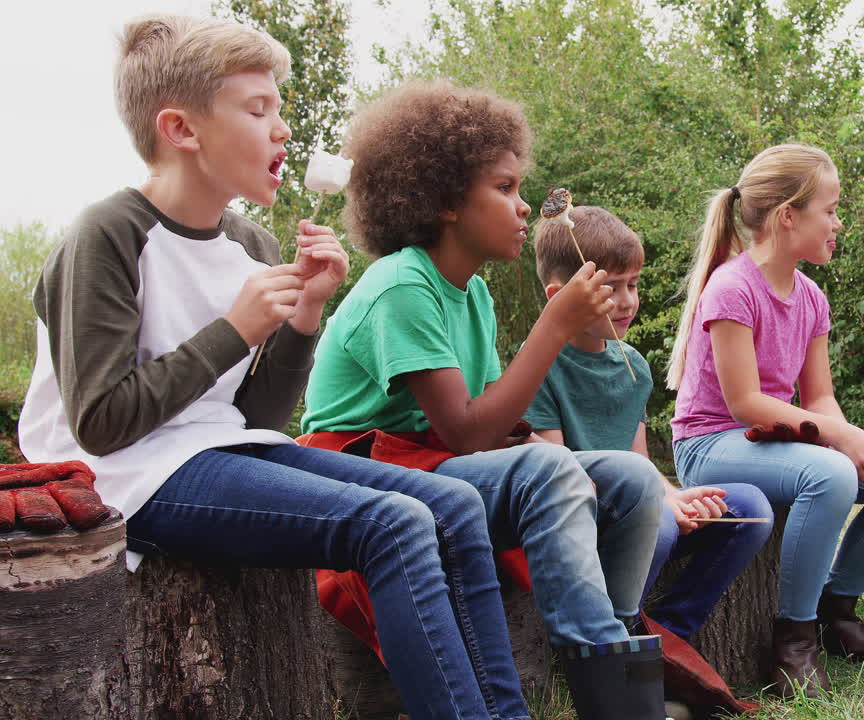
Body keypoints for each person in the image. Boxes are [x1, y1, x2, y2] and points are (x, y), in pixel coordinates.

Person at [17, 15, 528, 720]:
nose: (282, 128)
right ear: (182, 130)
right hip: (129, 472)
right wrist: (235, 330)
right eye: (257, 109)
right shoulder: (107, 233)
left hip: (214, 450)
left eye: (278, 108)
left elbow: (254, 420)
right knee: (392, 525)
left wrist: (303, 320)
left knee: (453, 505)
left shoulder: (249, 242)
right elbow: (102, 423)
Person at [299, 80, 666, 717]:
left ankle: (612, 638)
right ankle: (618, 702)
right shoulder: (401, 286)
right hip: (366, 472)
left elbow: (491, 419)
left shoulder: (472, 292)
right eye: (504, 188)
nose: (524, 207)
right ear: (444, 200)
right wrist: (554, 326)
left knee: (632, 477)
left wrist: (531, 437)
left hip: (436, 464)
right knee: (550, 471)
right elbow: (467, 432)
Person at [665, 143, 864, 698]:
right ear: (788, 216)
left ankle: (838, 612)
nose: (838, 223)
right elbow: (744, 403)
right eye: (830, 210)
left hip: (777, 440)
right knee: (828, 475)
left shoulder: (810, 296)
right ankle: (793, 644)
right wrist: (838, 440)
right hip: (711, 443)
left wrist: (850, 438)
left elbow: (820, 398)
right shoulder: (733, 287)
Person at [526, 204, 773, 716]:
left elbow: (638, 459)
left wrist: (677, 497)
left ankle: (668, 641)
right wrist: (658, 508)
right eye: (610, 287)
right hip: (587, 520)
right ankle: (620, 653)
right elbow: (556, 470)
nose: (627, 301)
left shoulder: (633, 365)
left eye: (633, 284)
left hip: (642, 506)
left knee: (750, 509)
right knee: (655, 524)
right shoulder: (539, 366)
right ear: (560, 297)